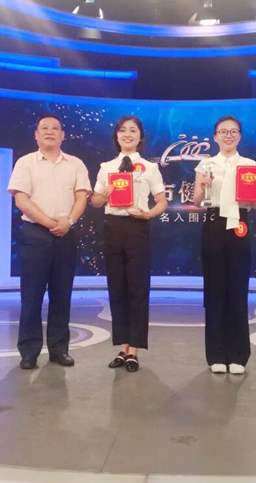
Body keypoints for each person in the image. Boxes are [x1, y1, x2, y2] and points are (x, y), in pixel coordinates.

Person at [7, 113, 91, 370]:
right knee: (31, 296)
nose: (50, 131)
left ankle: (59, 350)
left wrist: (69, 221)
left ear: (63, 135)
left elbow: (82, 197)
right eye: (44, 128)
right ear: (36, 135)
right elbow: (21, 200)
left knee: (62, 295)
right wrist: (48, 222)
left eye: (55, 128)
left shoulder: (76, 164)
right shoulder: (25, 163)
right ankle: (29, 352)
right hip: (35, 234)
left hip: (66, 233)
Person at [90, 115, 168, 372]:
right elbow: (95, 202)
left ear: (140, 137)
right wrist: (104, 195)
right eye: (122, 130)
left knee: (138, 288)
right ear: (116, 136)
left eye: (133, 130)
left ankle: (134, 349)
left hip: (137, 228)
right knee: (117, 289)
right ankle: (122, 347)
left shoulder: (150, 167)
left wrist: (148, 214)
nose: (127, 134)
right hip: (113, 228)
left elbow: (162, 202)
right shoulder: (106, 167)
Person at [193, 115, 256, 375]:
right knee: (214, 290)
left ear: (240, 136)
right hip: (213, 225)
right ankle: (216, 354)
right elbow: (198, 201)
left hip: (239, 225)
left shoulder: (249, 165)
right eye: (223, 132)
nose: (228, 136)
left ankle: (238, 355)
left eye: (233, 131)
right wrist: (203, 187)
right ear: (215, 137)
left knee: (237, 288)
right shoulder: (206, 164)